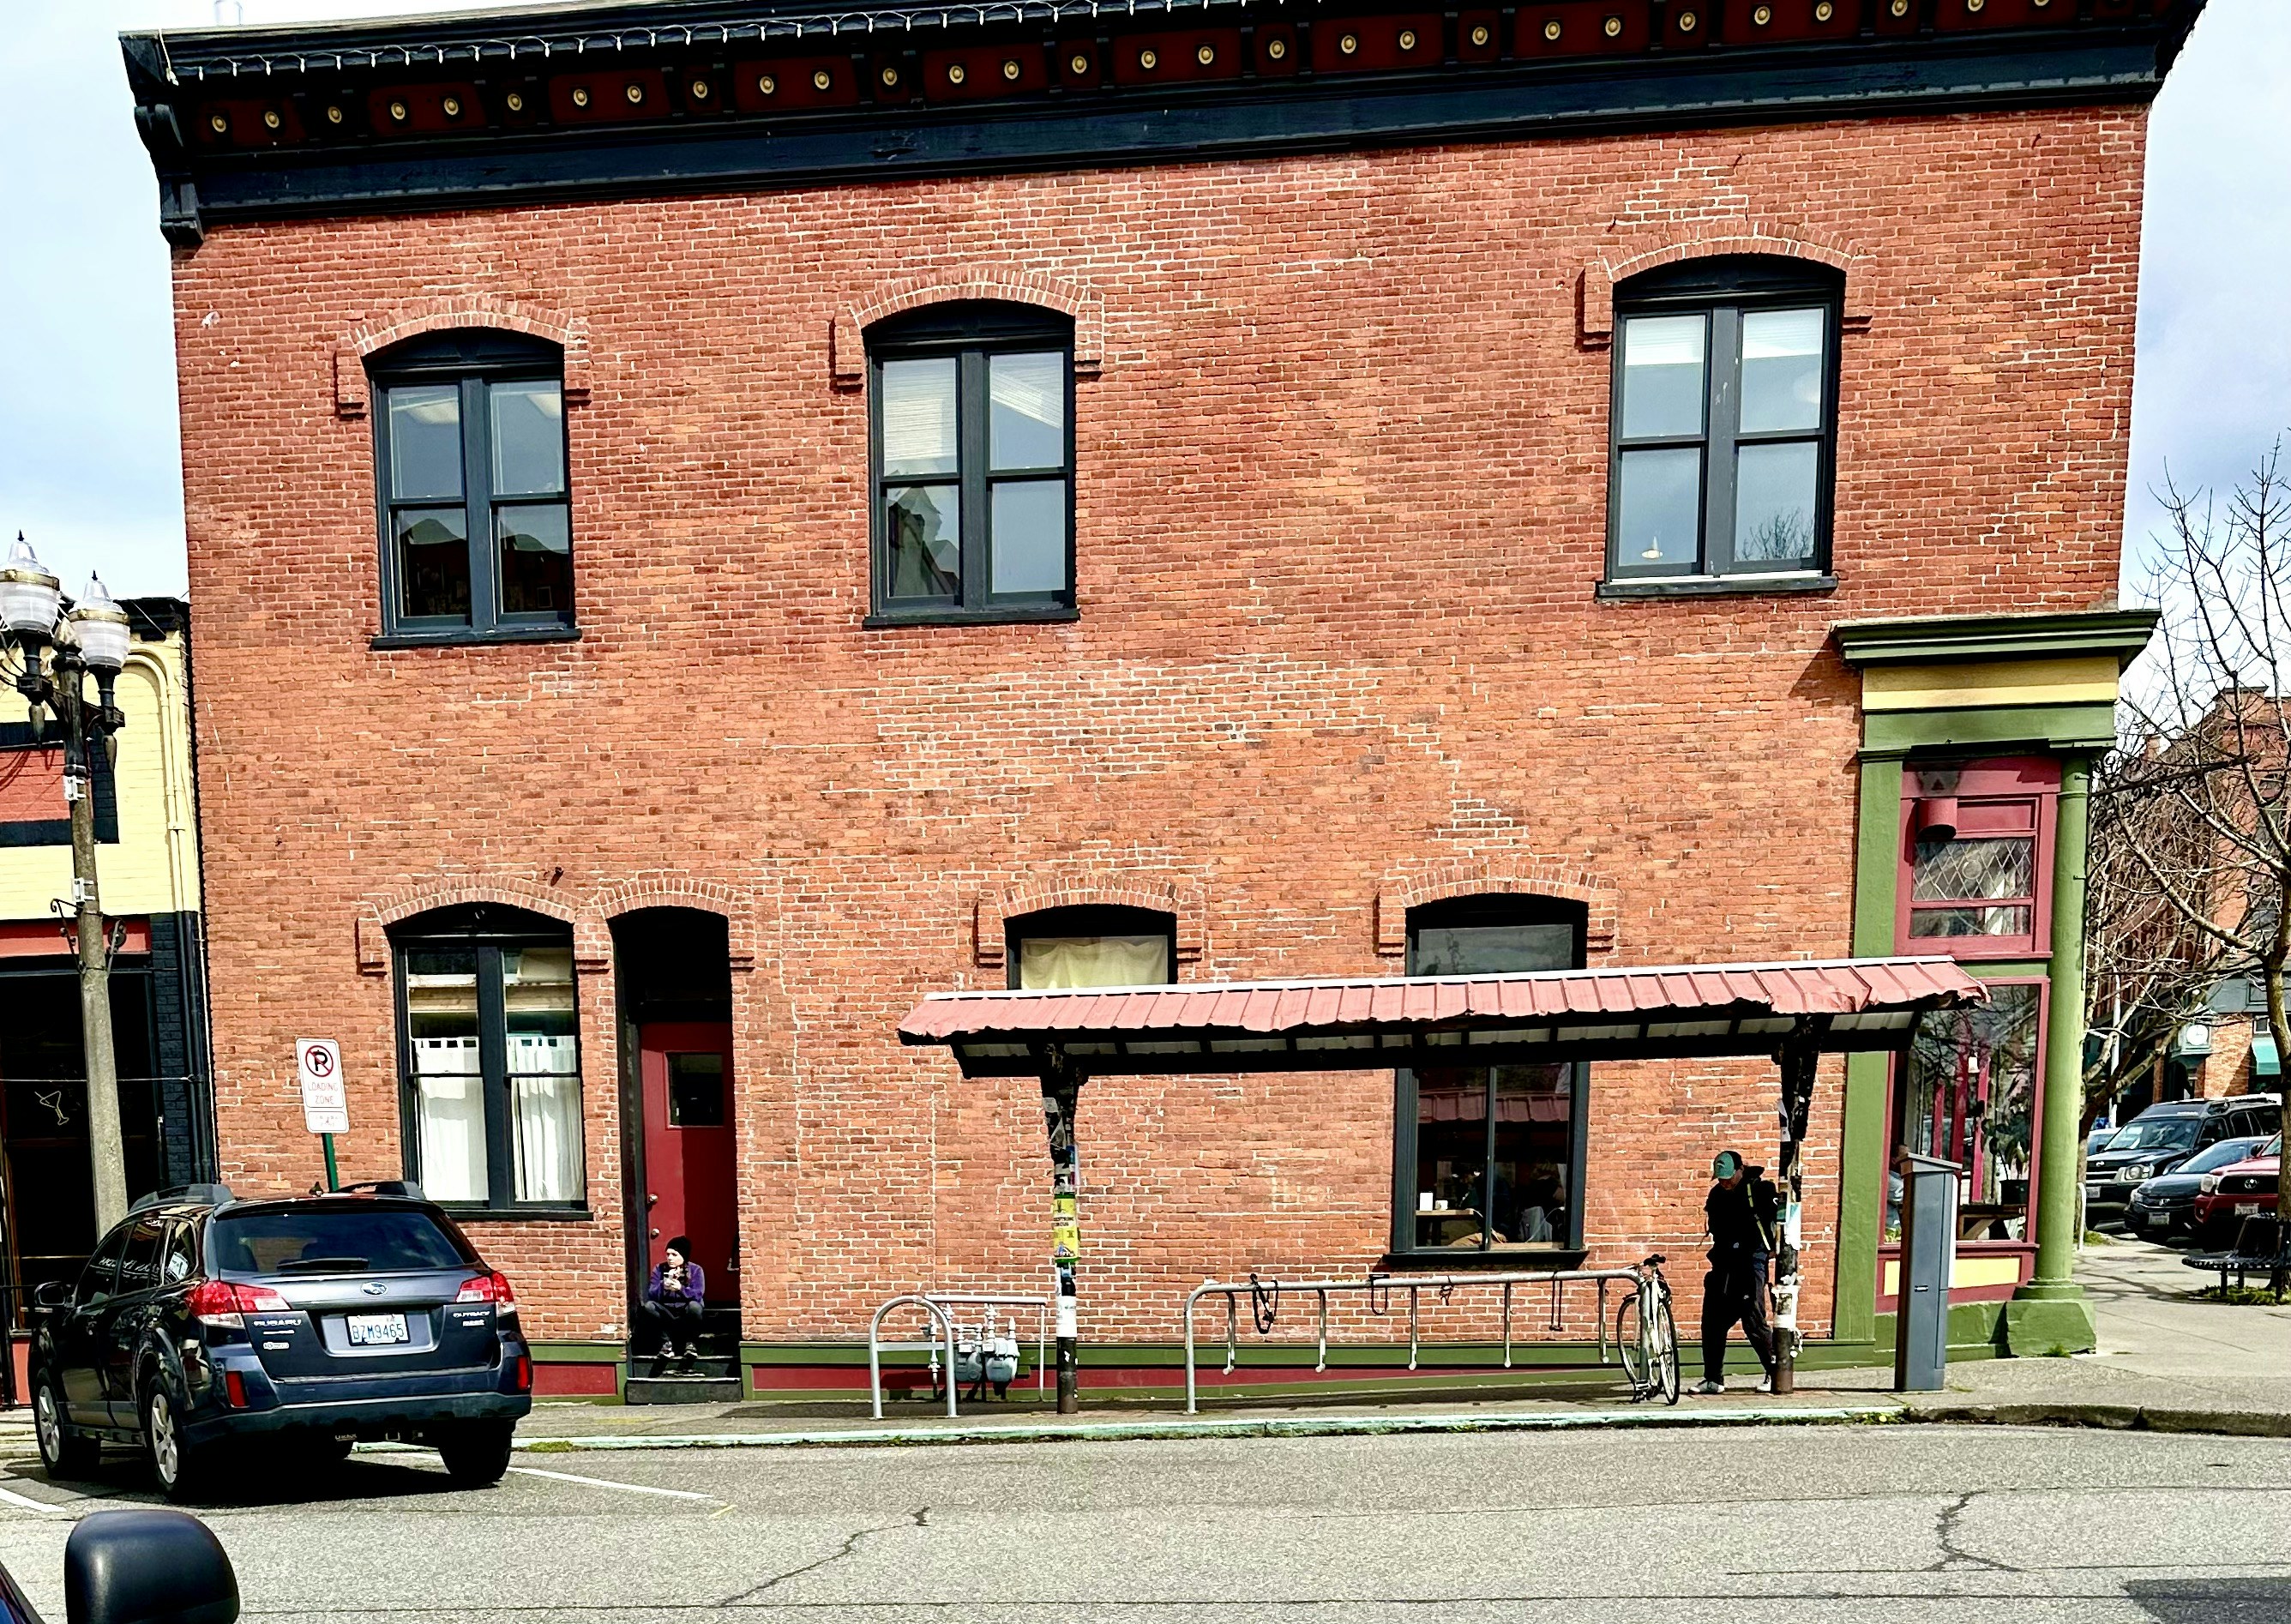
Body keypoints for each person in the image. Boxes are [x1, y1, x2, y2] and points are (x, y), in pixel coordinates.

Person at [1695, 1151, 1777, 1396]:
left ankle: (1775, 1373)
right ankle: (1713, 1379)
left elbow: (1777, 1220)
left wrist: (1774, 1249)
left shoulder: (1760, 1190)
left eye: (1729, 1177)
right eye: (1721, 1178)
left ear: (1741, 1169)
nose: (1725, 1182)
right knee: (1712, 1323)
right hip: (1723, 1265)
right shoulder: (1716, 1195)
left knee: (1753, 1321)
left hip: (1751, 1263)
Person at [639, 1237, 706, 1370]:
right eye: (668, 1254)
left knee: (695, 1307)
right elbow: (651, 1294)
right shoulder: (659, 1269)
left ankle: (690, 1344)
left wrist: (681, 1289)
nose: (670, 1258)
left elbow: (698, 1294)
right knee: (649, 1307)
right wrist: (664, 1284)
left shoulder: (696, 1270)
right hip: (666, 1313)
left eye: (674, 1255)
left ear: (683, 1256)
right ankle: (666, 1344)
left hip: (685, 1314)